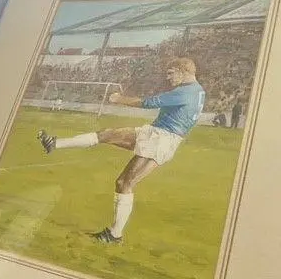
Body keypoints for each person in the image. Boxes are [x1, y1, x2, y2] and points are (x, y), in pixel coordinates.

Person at [37, 57, 205, 244]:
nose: (169, 78)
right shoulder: (198, 92)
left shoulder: (185, 92)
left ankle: (115, 235)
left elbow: (149, 102)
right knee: (110, 141)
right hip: (165, 139)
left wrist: (118, 99)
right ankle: (54, 143)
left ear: (183, 71)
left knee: (124, 181)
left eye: (171, 73)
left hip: (160, 137)